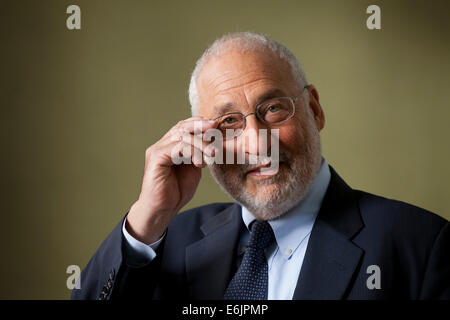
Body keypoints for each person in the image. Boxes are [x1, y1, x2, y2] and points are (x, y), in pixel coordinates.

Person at [71, 32, 449, 300]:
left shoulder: (422, 245)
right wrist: (146, 221)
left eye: (272, 109)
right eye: (229, 123)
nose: (256, 142)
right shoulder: (167, 241)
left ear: (314, 110)